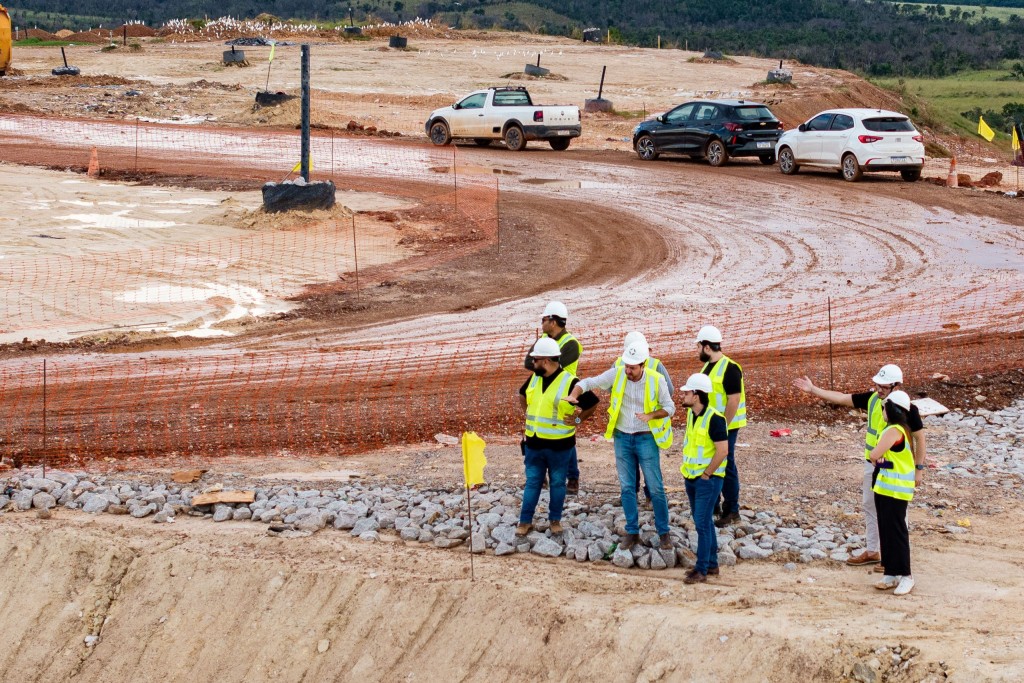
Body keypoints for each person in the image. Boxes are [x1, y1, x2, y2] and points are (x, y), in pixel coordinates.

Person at [793, 364, 926, 569]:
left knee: (897, 514)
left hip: (894, 469)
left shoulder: (905, 407)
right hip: (873, 465)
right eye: (877, 384)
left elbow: (919, 438)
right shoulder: (873, 400)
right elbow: (842, 398)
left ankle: (894, 559)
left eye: (883, 386)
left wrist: (919, 469)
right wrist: (814, 390)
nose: (879, 389)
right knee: (871, 506)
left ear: (896, 386)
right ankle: (874, 551)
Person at [566, 336, 675, 552]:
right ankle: (632, 531)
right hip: (623, 438)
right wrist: (574, 394)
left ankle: (664, 532)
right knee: (626, 487)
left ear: (642, 365)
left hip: (646, 438)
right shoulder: (618, 374)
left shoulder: (656, 379)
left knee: (655, 487)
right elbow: (589, 382)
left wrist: (651, 415)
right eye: (626, 366)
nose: (628, 371)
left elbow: (670, 407)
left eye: (632, 368)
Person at [516, 337, 598, 537]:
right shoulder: (534, 378)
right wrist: (528, 414)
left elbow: (592, 404)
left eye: (535, 360)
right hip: (534, 443)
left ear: (546, 361)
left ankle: (555, 520)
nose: (532, 363)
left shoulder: (570, 382)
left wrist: (578, 421)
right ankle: (524, 521)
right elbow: (522, 394)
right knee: (533, 482)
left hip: (560, 447)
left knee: (558, 483)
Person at [524, 301, 584, 494]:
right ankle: (540, 477)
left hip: (566, 393)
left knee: (566, 435)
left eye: (544, 319)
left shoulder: (571, 344)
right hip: (542, 390)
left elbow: (554, 367)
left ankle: (572, 477)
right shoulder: (544, 338)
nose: (542, 323)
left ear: (554, 321)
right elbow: (528, 363)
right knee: (538, 434)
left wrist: (542, 362)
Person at [677, 373, 730, 584]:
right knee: (705, 521)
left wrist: (707, 474)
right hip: (692, 476)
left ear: (697, 395)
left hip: (707, 479)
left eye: (687, 392)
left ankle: (702, 569)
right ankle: (712, 564)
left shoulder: (714, 419)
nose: (683, 395)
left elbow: (723, 451)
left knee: (701, 524)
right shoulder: (692, 414)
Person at [695, 325, 747, 528]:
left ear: (707, 347)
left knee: (726, 464)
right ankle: (714, 505)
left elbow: (733, 400)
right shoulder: (707, 367)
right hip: (712, 425)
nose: (697, 350)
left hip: (726, 426)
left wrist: (723, 426)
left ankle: (732, 510)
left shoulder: (730, 368)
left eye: (699, 346)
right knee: (712, 461)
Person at [617, 331, 674, 507]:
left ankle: (634, 495)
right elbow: (670, 389)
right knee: (648, 464)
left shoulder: (619, 364)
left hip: (641, 425)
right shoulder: (655, 364)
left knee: (638, 463)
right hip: (638, 426)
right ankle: (647, 497)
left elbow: (668, 395)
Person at [868, 391, 917, 596]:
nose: (881, 411)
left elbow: (874, 454)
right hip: (886, 487)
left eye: (883, 407)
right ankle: (891, 572)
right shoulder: (901, 429)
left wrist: (877, 459)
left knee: (896, 532)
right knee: (886, 530)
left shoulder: (894, 431)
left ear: (891, 409)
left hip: (894, 491)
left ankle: (906, 576)